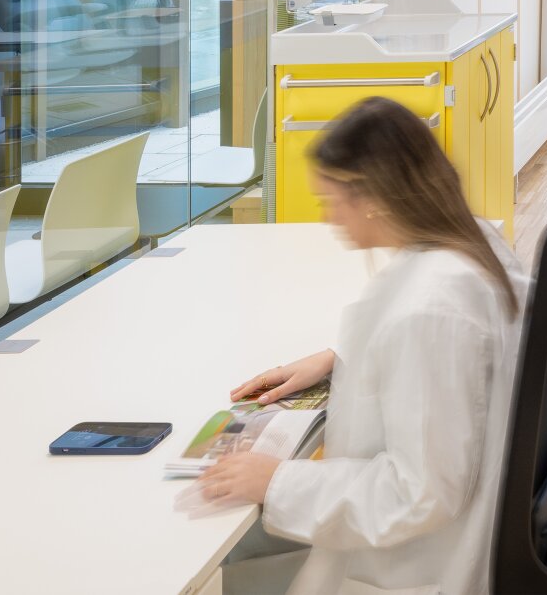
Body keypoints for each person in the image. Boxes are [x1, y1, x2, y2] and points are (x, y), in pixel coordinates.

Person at [201, 97, 530, 595]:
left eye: (331, 199)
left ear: (373, 197)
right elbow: (455, 366)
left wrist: (276, 483)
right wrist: (341, 362)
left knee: (227, 549)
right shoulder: (469, 243)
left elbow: (420, 494)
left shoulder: (428, 310)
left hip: (419, 563)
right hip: (446, 529)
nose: (328, 217)